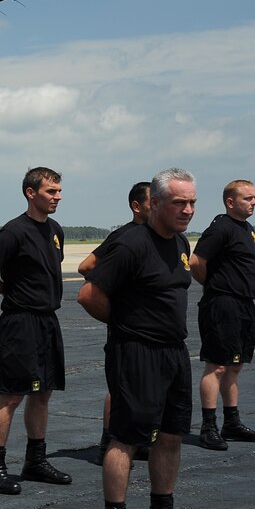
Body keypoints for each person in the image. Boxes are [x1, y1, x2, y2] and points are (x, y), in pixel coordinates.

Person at [77, 167, 207, 509]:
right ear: (154, 203)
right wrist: (125, 325)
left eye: (192, 203)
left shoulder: (180, 242)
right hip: (136, 351)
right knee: (127, 438)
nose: (187, 210)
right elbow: (88, 294)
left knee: (170, 435)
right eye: (179, 202)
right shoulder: (131, 243)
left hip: (173, 352)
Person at [0, 167, 71, 495]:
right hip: (20, 322)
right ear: (31, 193)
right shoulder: (14, 231)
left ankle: (35, 460)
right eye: (50, 192)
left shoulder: (55, 229)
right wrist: (10, 292)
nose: (57, 197)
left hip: (47, 321)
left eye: (58, 191)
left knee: (43, 392)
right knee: (12, 394)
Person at [77, 182, 152, 465]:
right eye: (151, 201)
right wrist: (113, 291)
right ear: (137, 206)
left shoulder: (157, 235)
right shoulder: (124, 236)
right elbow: (86, 267)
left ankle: (136, 439)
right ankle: (108, 440)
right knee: (120, 387)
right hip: (126, 325)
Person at [190, 179, 255, 450]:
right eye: (248, 198)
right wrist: (214, 286)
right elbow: (196, 262)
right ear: (231, 202)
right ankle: (208, 426)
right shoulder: (221, 227)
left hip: (244, 305)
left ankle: (231, 422)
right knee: (217, 365)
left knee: (235, 365)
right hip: (223, 305)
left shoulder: (246, 228)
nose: (254, 202)